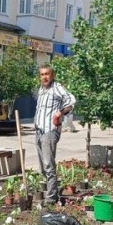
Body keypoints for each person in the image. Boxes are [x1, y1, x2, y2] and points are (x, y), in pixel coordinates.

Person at [34, 64, 76, 205]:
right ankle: (52, 192)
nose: (44, 77)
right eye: (42, 74)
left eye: (47, 74)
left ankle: (51, 199)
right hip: (39, 131)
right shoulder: (41, 90)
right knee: (42, 166)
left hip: (49, 131)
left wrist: (60, 113)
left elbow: (71, 100)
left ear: (52, 75)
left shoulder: (56, 88)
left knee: (48, 165)